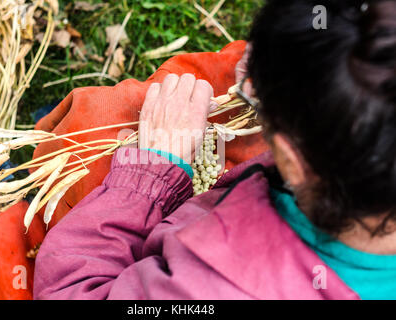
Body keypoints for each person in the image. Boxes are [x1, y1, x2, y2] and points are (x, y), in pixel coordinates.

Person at [33, 0, 396, 300]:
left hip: (110, 262)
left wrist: (150, 172)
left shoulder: (207, 289)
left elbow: (71, 291)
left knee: (92, 130)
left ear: (293, 161)